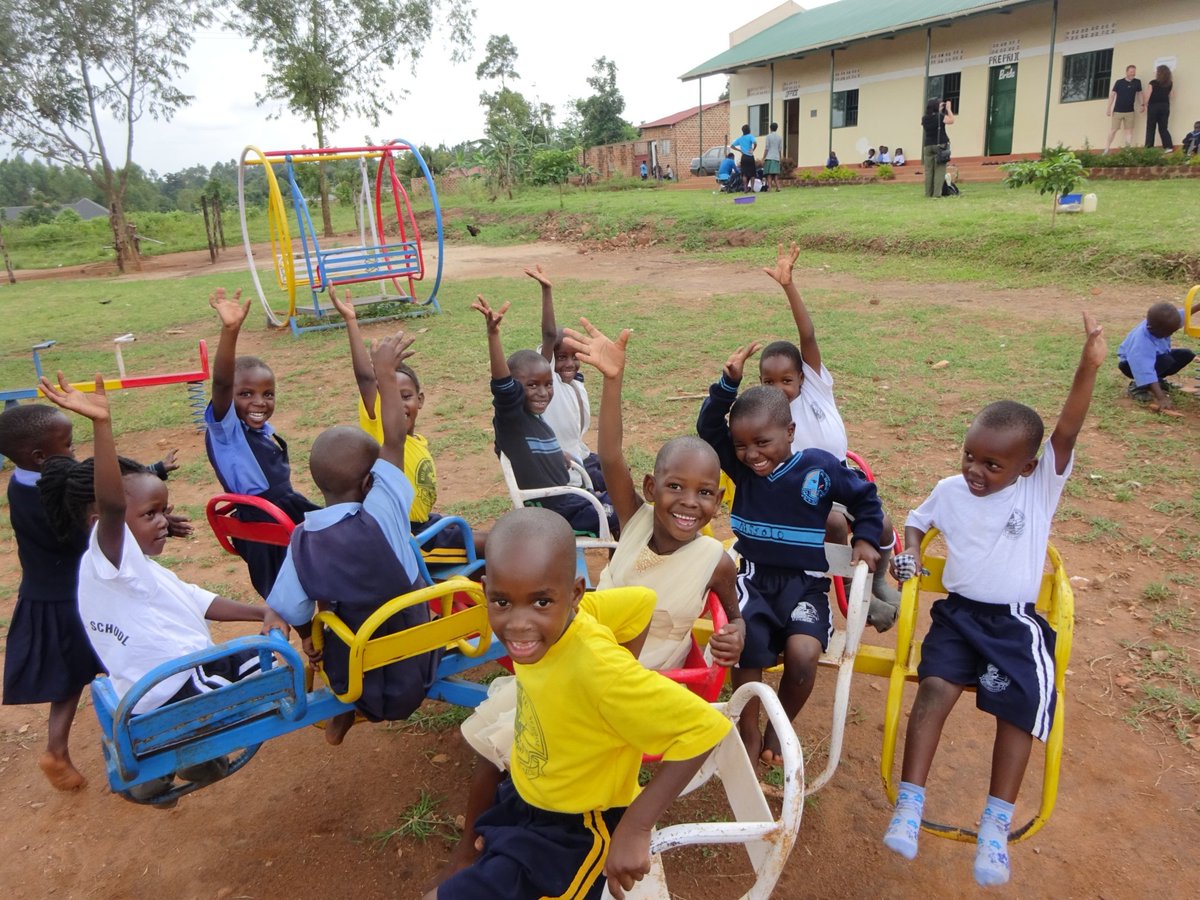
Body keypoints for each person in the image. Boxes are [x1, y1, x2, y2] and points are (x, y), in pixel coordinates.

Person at [882, 313, 1106, 887]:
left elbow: (1068, 428)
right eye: (970, 456)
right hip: (957, 617)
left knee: (1022, 709)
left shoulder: (1039, 486)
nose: (975, 471)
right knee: (932, 690)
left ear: (1027, 468)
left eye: (992, 465)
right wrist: (908, 551)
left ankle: (994, 824)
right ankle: (909, 803)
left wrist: (1088, 366)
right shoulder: (950, 490)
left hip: (1013, 624)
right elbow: (916, 521)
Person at [428, 508, 732, 900]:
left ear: (573, 593)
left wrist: (637, 827)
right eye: (502, 602)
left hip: (571, 832)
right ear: (485, 590)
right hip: (527, 792)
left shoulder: (602, 672)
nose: (518, 624)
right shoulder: (574, 617)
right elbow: (641, 602)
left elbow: (705, 729)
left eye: (540, 602)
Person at [37, 372, 290, 801]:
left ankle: (175, 762)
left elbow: (194, 597)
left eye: (164, 511)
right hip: (173, 691)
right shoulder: (106, 561)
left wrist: (260, 611)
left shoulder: (133, 567)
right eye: (152, 514)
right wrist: (102, 425)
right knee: (273, 680)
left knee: (255, 657)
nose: (164, 523)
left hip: (172, 681)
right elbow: (114, 506)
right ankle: (187, 755)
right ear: (105, 523)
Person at [697, 358, 884, 768]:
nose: (751, 454)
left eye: (762, 443)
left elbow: (866, 497)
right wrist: (727, 385)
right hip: (754, 580)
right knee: (744, 642)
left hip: (805, 584)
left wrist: (867, 537)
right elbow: (708, 429)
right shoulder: (743, 470)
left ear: (790, 432)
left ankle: (778, 726)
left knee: (803, 656)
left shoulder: (818, 468)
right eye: (742, 445)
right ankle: (748, 725)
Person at [0, 405, 186, 791]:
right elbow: (102, 516)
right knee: (102, 668)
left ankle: (70, 748)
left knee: (77, 675)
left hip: (50, 594)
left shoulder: (22, 485)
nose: (72, 452)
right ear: (40, 455)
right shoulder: (49, 495)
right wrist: (148, 521)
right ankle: (73, 749)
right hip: (72, 601)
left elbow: (98, 487)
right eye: (67, 446)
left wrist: (154, 474)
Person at [267, 331, 438, 745]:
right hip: (416, 662)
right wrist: (384, 371)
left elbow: (292, 608)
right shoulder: (384, 514)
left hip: (354, 676)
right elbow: (395, 437)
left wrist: (310, 640)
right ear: (369, 483)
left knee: (333, 623)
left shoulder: (302, 541)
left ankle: (344, 711)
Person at [755, 242, 902, 629]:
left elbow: (808, 335)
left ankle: (879, 580)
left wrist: (789, 286)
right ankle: (857, 596)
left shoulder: (817, 388)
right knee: (835, 526)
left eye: (787, 379)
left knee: (883, 524)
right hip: (805, 491)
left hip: (843, 477)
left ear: (803, 376)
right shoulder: (765, 416)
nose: (779, 387)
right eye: (768, 381)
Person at [331, 289, 484, 557]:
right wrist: (351, 322)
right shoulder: (380, 431)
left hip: (425, 523)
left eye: (406, 397)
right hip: (409, 536)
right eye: (389, 397)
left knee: (483, 538)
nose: (399, 405)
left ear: (420, 400)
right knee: (490, 546)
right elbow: (366, 379)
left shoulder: (419, 442)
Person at [204, 287, 319, 598]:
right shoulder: (227, 432)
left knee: (331, 543)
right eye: (246, 394)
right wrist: (231, 330)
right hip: (261, 520)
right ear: (229, 399)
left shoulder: (262, 430)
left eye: (268, 394)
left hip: (287, 506)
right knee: (283, 588)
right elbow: (222, 382)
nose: (260, 402)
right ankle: (306, 634)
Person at [474, 294, 618, 537]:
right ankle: (622, 571)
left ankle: (619, 567)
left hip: (570, 499)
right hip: (556, 513)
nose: (543, 393)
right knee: (625, 511)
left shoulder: (537, 420)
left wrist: (556, 453)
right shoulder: (513, 421)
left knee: (622, 498)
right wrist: (493, 335)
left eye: (548, 385)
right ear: (515, 388)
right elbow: (503, 387)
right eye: (532, 385)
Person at [528, 264, 605, 492]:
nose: (569, 363)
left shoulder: (575, 384)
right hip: (564, 469)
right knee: (607, 505)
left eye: (574, 356)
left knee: (617, 477)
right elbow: (550, 335)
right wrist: (546, 291)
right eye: (561, 357)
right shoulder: (549, 381)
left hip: (581, 454)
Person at [1116, 300, 1199, 411]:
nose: (1170, 334)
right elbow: (1145, 369)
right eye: (1168, 333)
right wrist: (1161, 398)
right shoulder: (1142, 343)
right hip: (1131, 365)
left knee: (1185, 355)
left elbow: (1183, 314)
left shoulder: (1162, 323)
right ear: (1151, 328)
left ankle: (1157, 381)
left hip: (1156, 357)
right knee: (1166, 360)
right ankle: (1137, 387)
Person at [1105, 65, 1144, 153]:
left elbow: (1140, 94)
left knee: (1129, 132)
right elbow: (1112, 95)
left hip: (1130, 111)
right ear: (1126, 72)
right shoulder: (1119, 82)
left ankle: (1127, 151)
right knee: (1113, 130)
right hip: (1118, 111)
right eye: (1131, 72)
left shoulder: (1137, 82)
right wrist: (1108, 108)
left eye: (1134, 72)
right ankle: (1106, 149)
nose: (1133, 73)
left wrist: (1142, 104)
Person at [921, 98, 955, 198]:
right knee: (939, 171)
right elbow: (951, 120)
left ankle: (928, 193)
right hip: (940, 145)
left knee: (928, 171)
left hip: (927, 146)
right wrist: (948, 109)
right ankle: (936, 194)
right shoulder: (940, 116)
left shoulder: (924, 118)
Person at [1145, 64, 1174, 149]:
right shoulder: (1170, 83)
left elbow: (1148, 94)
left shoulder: (1152, 83)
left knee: (1151, 127)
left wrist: (1144, 104)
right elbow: (1171, 96)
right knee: (1163, 128)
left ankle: (1149, 148)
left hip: (1153, 106)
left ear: (1159, 73)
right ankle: (1168, 147)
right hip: (1165, 106)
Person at [731, 123, 758, 194]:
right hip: (750, 156)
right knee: (752, 174)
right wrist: (753, 149)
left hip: (744, 157)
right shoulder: (750, 136)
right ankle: (752, 188)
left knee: (744, 174)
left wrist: (739, 150)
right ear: (749, 130)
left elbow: (732, 146)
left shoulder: (740, 138)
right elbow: (755, 142)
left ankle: (745, 189)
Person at [763, 122, 783, 192]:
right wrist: (780, 158)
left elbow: (767, 148)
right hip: (776, 158)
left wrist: (763, 157)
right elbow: (780, 149)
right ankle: (778, 187)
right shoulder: (780, 137)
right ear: (776, 128)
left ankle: (770, 188)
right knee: (775, 174)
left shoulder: (768, 136)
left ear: (770, 128)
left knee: (769, 174)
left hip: (769, 157)